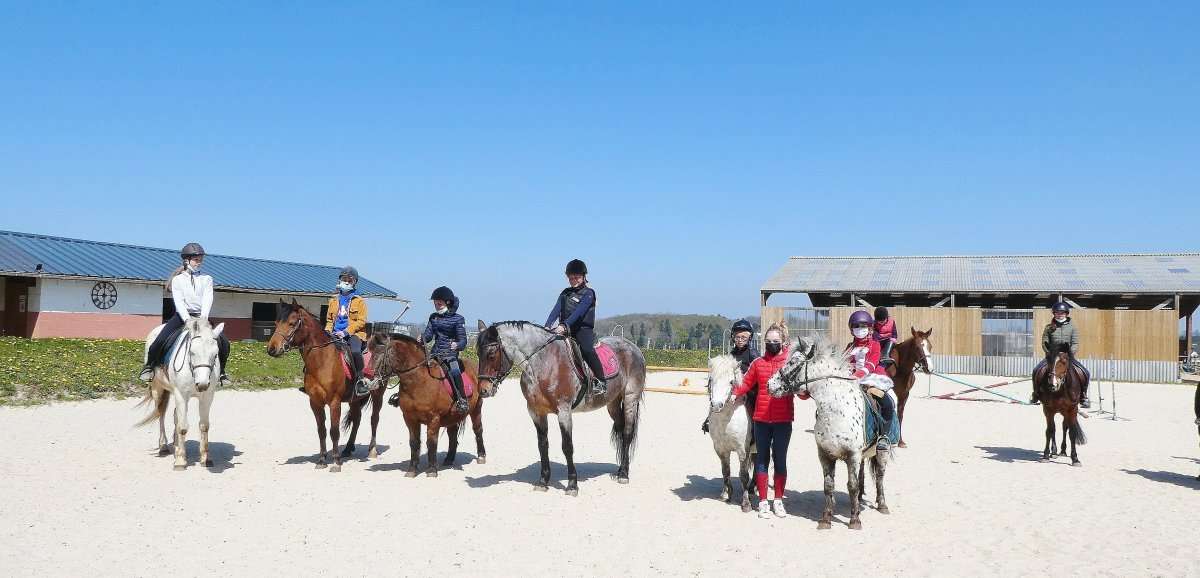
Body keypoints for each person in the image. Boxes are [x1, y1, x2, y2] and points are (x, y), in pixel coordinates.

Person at [140, 243, 230, 385]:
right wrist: (187, 320)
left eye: (200, 259)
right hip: (182, 317)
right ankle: (149, 367)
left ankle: (222, 373)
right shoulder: (178, 280)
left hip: (201, 317)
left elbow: (208, 299)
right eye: (196, 259)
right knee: (160, 339)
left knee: (223, 341)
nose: (199, 262)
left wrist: (203, 318)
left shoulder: (207, 279)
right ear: (186, 260)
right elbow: (179, 302)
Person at [732, 324, 793, 519]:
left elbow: (800, 387)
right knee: (761, 460)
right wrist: (732, 395)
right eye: (768, 342)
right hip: (761, 420)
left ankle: (779, 500)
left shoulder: (789, 362)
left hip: (783, 419)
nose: (772, 345)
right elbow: (746, 383)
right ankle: (764, 501)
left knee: (780, 460)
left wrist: (805, 393)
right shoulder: (758, 363)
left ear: (783, 342)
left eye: (776, 342)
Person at [545, 259, 606, 396]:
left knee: (587, 349)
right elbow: (555, 310)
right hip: (566, 330)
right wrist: (547, 325)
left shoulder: (589, 293)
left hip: (582, 331)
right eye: (571, 278)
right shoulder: (565, 293)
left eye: (576, 277)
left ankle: (602, 381)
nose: (573, 280)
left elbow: (578, 313)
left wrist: (564, 325)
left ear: (584, 276)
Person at [846, 310, 895, 449]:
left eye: (863, 327)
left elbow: (871, 363)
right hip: (850, 379)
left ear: (870, 328)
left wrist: (858, 375)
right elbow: (844, 363)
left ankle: (884, 437)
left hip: (870, 378)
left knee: (887, 401)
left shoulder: (875, 344)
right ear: (851, 329)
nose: (860, 330)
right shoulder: (850, 347)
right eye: (856, 326)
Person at [702, 318, 759, 433]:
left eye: (743, 337)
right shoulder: (732, 353)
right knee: (718, 395)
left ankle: (755, 427)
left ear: (749, 338)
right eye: (737, 337)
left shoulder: (753, 353)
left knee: (753, 403)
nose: (740, 340)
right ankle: (710, 419)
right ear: (733, 338)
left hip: (750, 388)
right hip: (735, 386)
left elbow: (757, 372)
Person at [1031, 301, 1091, 407]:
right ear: (1054, 314)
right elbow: (1044, 342)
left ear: (1066, 314)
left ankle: (1083, 396)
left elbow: (1075, 343)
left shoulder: (1073, 328)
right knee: (1036, 370)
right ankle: (1035, 394)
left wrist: (1069, 354)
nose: (1060, 315)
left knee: (1085, 372)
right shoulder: (1049, 327)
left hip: (1067, 357)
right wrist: (1050, 353)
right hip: (1052, 356)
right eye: (1057, 313)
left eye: (1062, 313)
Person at [323, 266, 368, 395]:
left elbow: (361, 321)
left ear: (355, 282)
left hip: (354, 334)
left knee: (355, 352)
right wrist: (327, 331)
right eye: (344, 279)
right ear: (340, 280)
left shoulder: (359, 301)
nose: (347, 282)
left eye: (350, 280)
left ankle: (360, 380)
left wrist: (346, 332)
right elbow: (330, 320)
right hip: (335, 333)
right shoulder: (333, 300)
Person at [424, 286, 469, 414]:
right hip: (435, 352)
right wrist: (422, 338)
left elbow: (463, 341)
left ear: (447, 302)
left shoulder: (458, 319)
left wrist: (457, 345)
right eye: (435, 303)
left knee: (454, 371)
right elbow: (428, 336)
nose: (436, 306)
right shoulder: (433, 317)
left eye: (439, 303)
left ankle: (461, 399)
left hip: (450, 353)